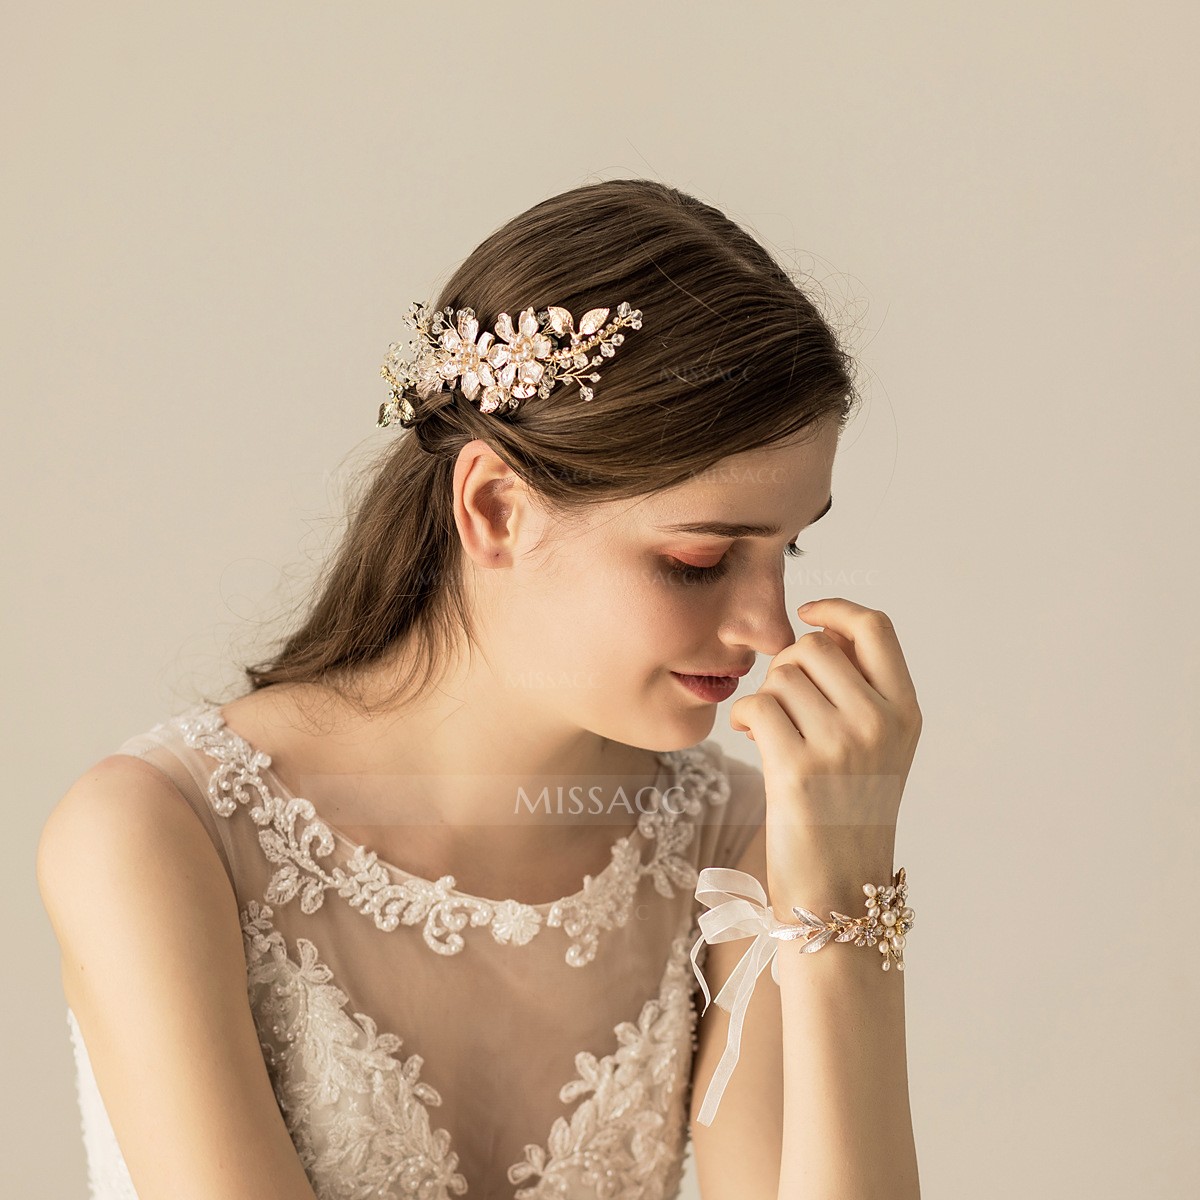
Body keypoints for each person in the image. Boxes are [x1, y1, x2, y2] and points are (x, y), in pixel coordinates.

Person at [36, 178, 921, 1199]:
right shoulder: (162, 835)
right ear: (496, 508)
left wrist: (847, 901)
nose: (769, 628)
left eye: (790, 547)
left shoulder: (736, 843)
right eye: (698, 558)